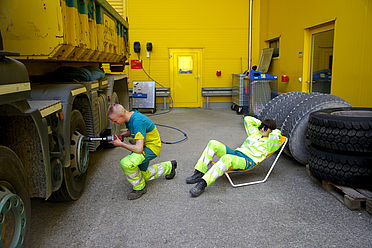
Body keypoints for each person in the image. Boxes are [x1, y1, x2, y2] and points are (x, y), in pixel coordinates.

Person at [186, 116, 281, 197]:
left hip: (247, 160)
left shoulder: (271, 141)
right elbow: (247, 119)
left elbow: (278, 135)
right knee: (213, 143)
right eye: (261, 127)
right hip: (237, 153)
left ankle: (203, 183)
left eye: (266, 128)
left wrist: (270, 128)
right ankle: (199, 172)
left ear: (271, 130)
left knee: (226, 159)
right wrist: (263, 124)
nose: (262, 129)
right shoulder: (255, 133)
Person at [108, 104, 177, 200]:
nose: (115, 123)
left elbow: (139, 149)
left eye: (115, 121)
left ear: (121, 115)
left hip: (151, 148)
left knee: (127, 163)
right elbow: (132, 131)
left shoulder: (137, 121)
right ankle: (169, 167)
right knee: (142, 175)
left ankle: (140, 188)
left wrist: (120, 144)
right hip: (145, 145)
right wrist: (121, 136)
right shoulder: (129, 117)